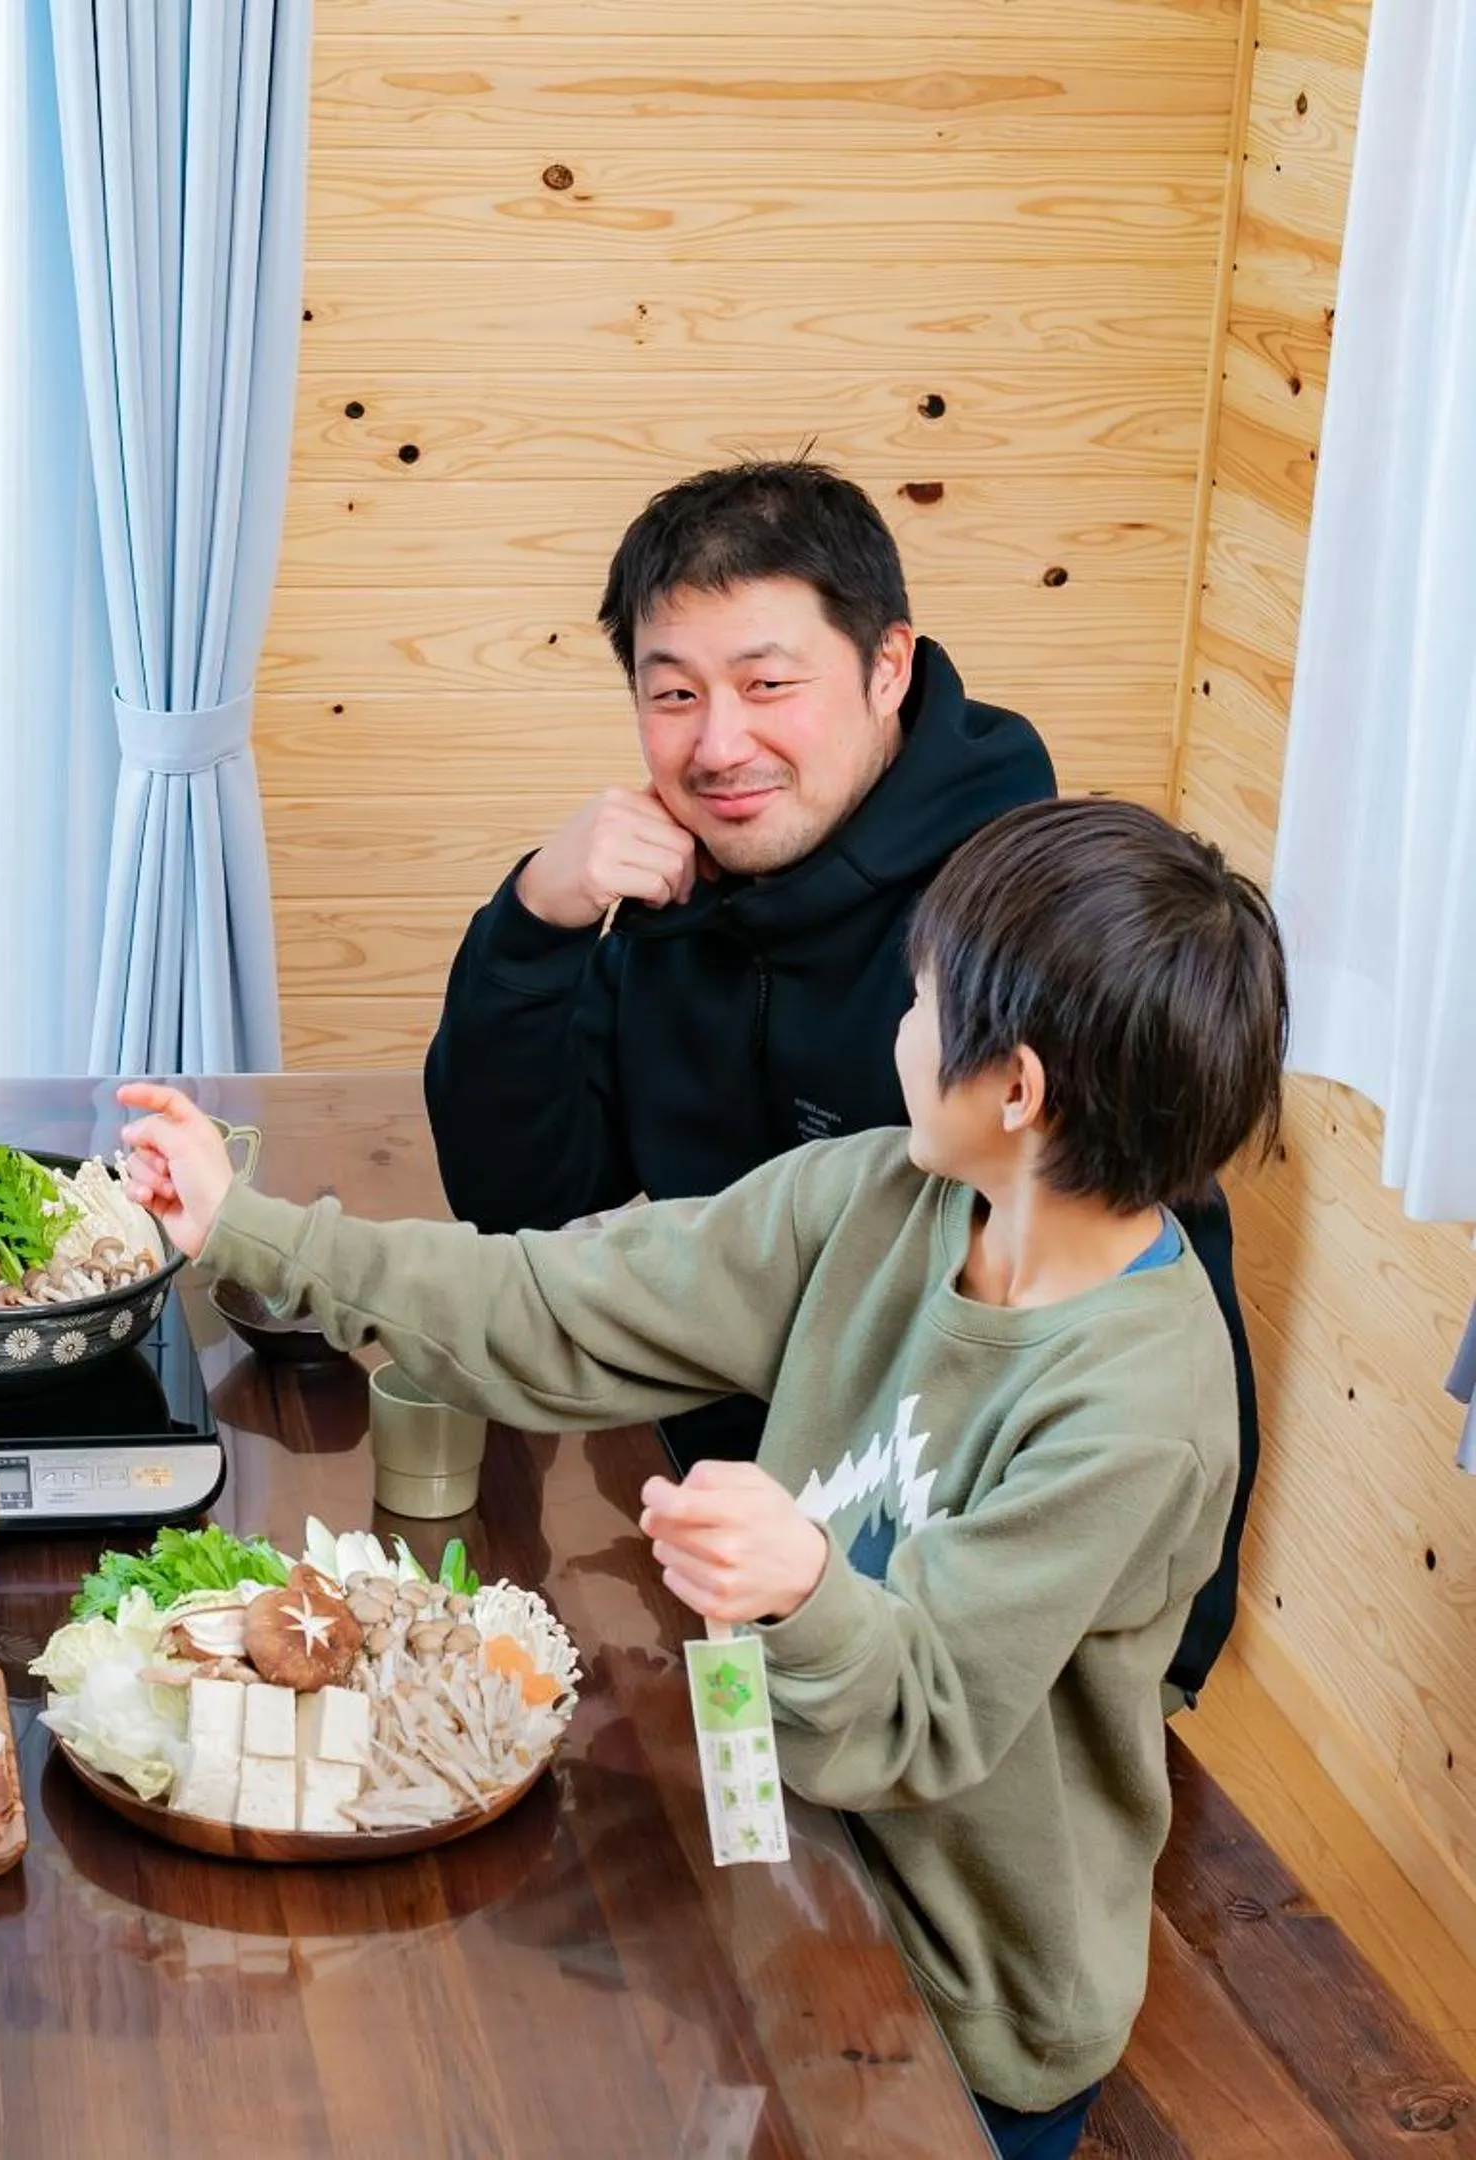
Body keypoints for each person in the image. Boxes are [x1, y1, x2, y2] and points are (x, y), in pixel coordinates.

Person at [124, 796, 1289, 2160]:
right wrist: (249, 1230)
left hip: (953, 1992)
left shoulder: (1140, 1407)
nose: (897, 1032)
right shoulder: (879, 1193)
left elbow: (923, 1714)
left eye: (921, 1004)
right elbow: (568, 1301)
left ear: (1016, 1089)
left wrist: (800, 1587)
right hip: (768, 1845)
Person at [420, 459, 1262, 1707]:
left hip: (947, 1610)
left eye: (769, 685)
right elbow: (527, 1204)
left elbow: (1149, 1294)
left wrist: (1148, 1685)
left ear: (887, 668)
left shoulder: (1009, 934)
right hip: (710, 1520)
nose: (719, 744)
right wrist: (539, 921)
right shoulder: (672, 887)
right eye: (673, 695)